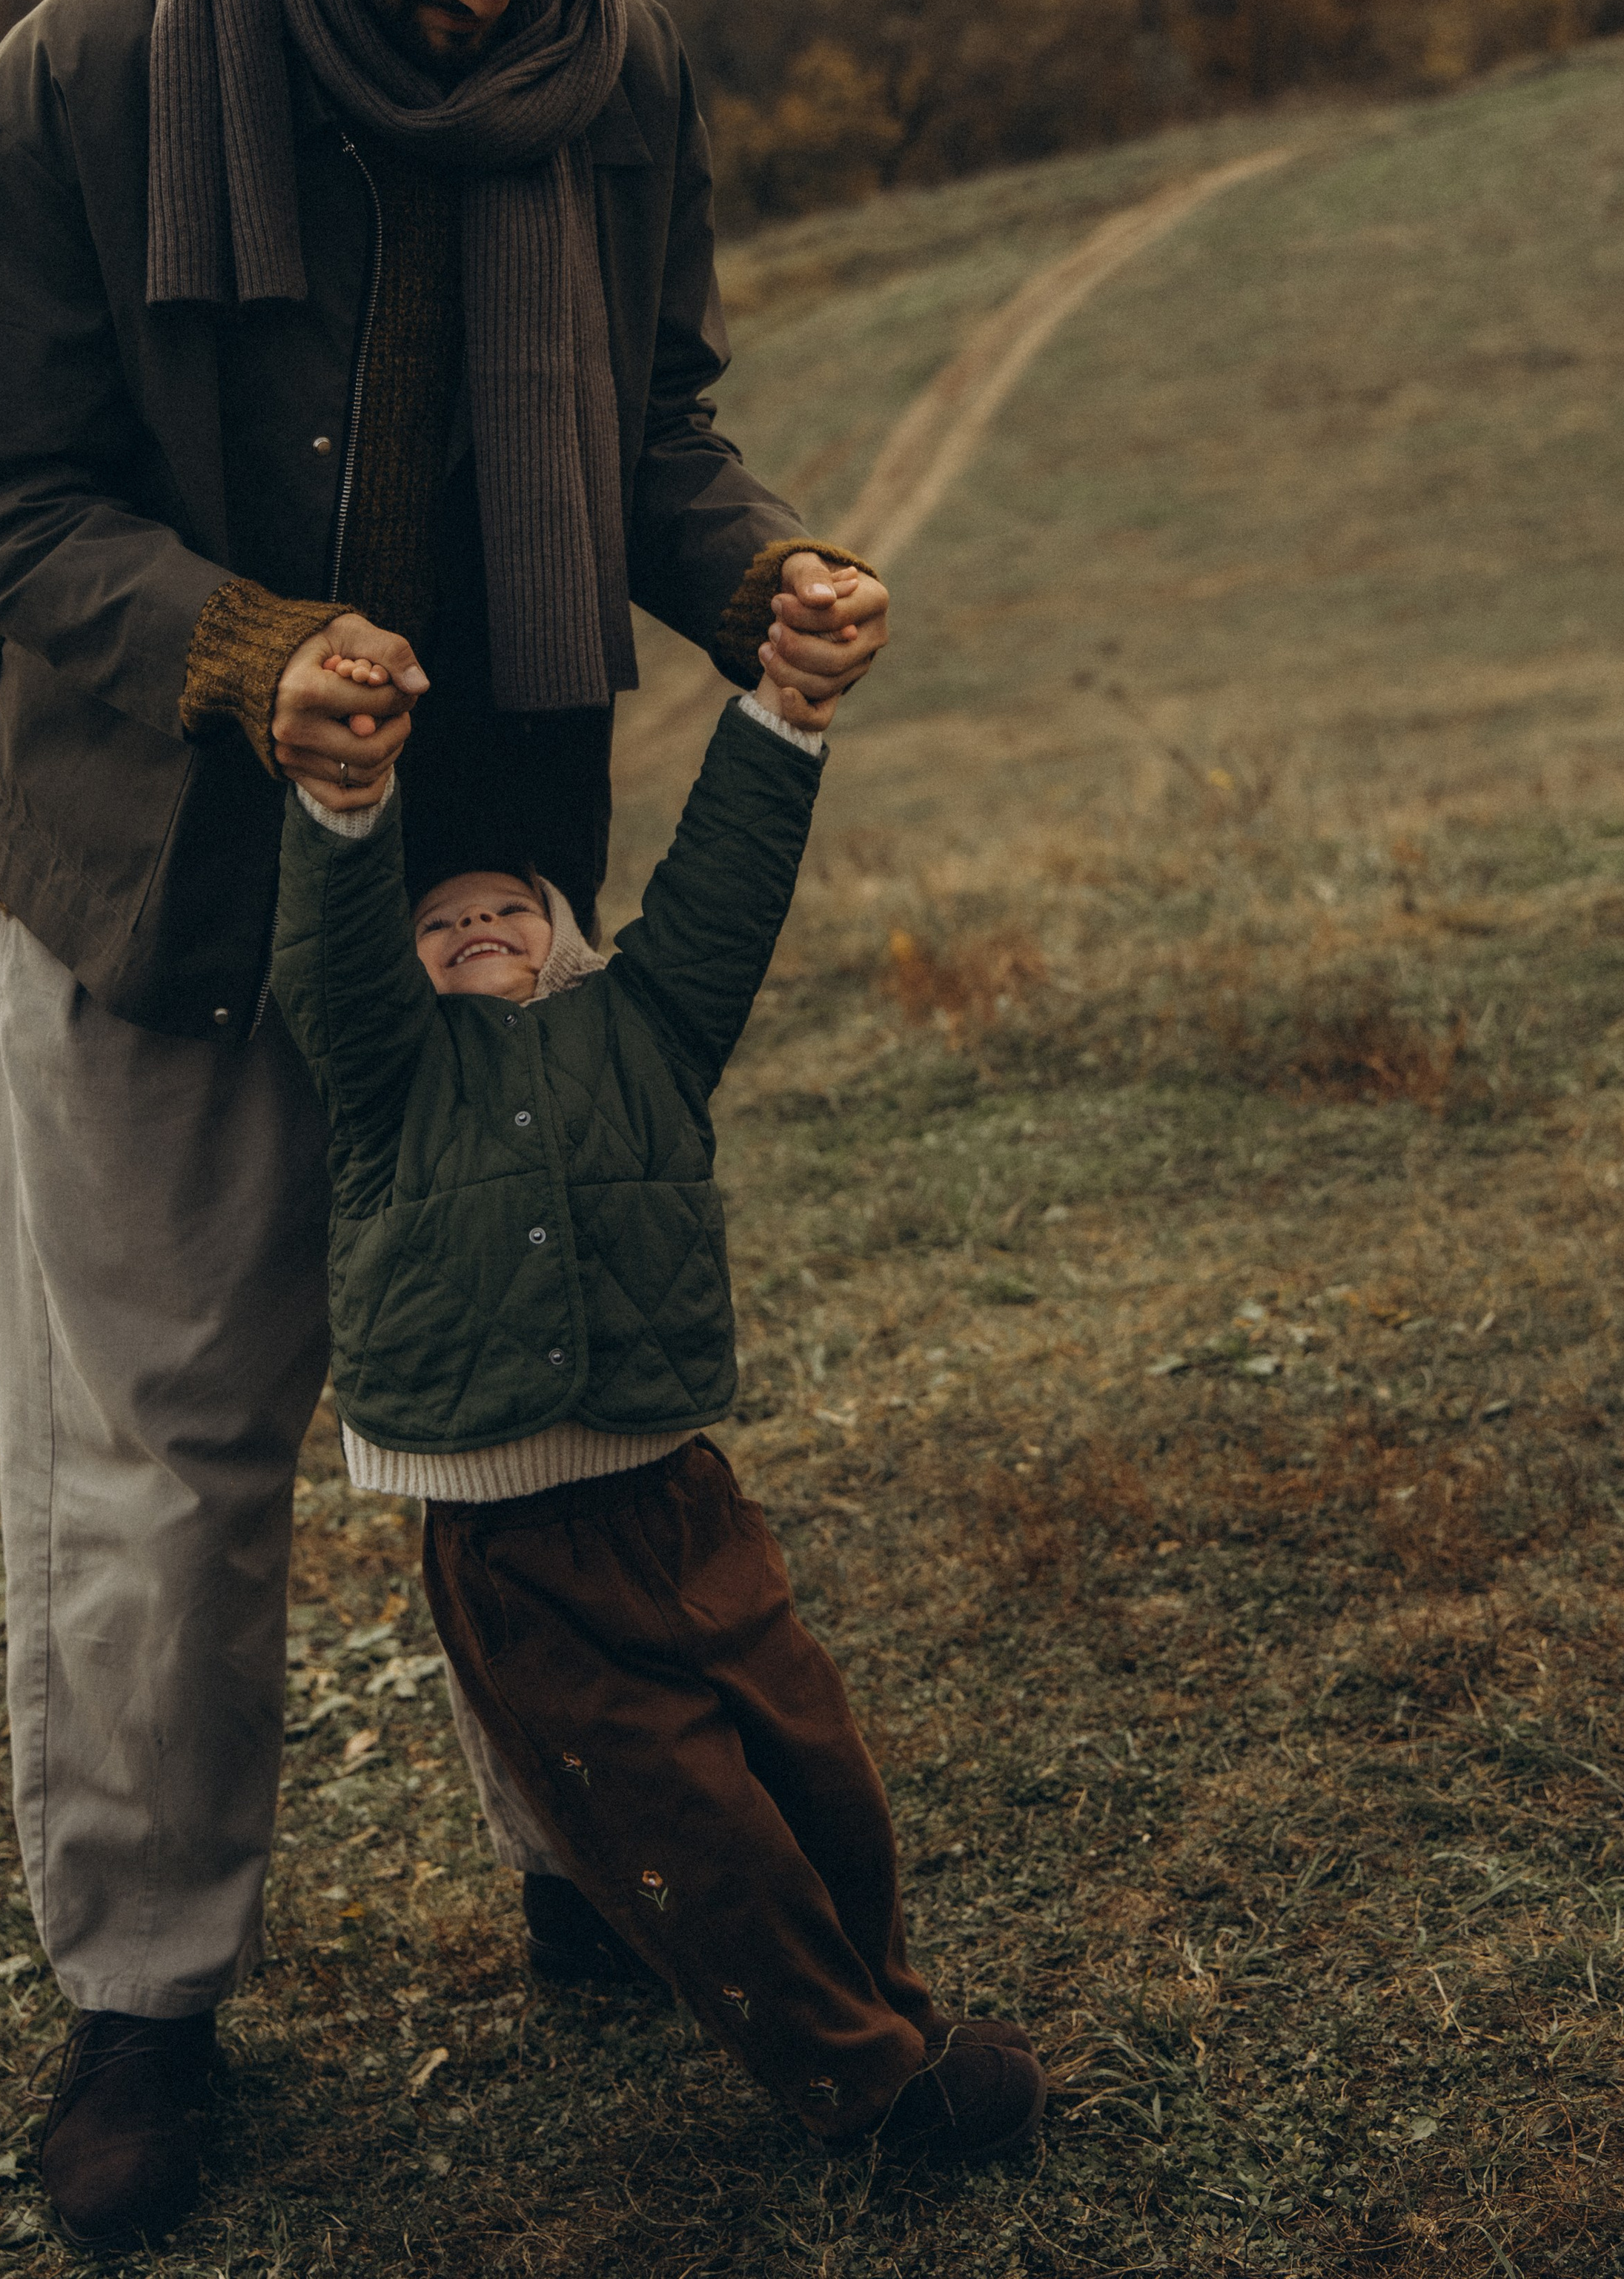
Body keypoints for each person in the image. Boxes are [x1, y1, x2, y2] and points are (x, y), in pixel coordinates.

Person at [0, 0, 888, 2249]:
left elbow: (655, 410)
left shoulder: (620, 63)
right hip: (163, 881)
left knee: (532, 1408)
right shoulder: (87, 77)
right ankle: (143, 2001)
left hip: (482, 885)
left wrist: (758, 573)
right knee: (164, 1458)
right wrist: (240, 656)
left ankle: (589, 1850)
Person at [272, 652, 1046, 2172]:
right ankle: (859, 2094)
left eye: (508, 909)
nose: (475, 925)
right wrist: (344, 804)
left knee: (811, 1761)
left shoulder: (649, 1027)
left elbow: (727, 887)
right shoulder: (383, 1076)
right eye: (437, 921)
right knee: (690, 1820)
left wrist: (785, 722)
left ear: (568, 939)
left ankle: (892, 2008)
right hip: (511, 1548)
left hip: (680, 1498)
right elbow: (328, 954)